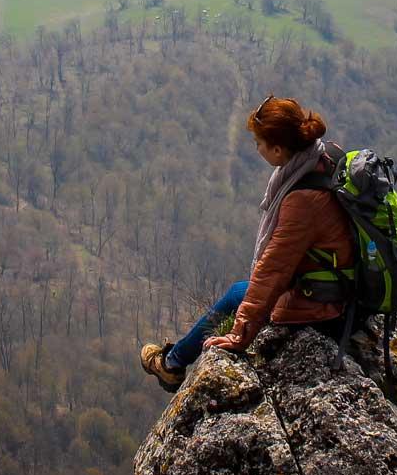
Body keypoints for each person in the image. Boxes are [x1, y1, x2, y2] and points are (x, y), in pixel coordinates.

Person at [139, 96, 354, 392]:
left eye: (260, 143)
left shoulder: (301, 201)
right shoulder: (326, 155)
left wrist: (240, 335)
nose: (257, 149)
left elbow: (272, 272)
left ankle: (172, 364)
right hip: (342, 274)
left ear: (277, 150)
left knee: (239, 292)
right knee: (243, 291)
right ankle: (174, 360)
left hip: (327, 301)